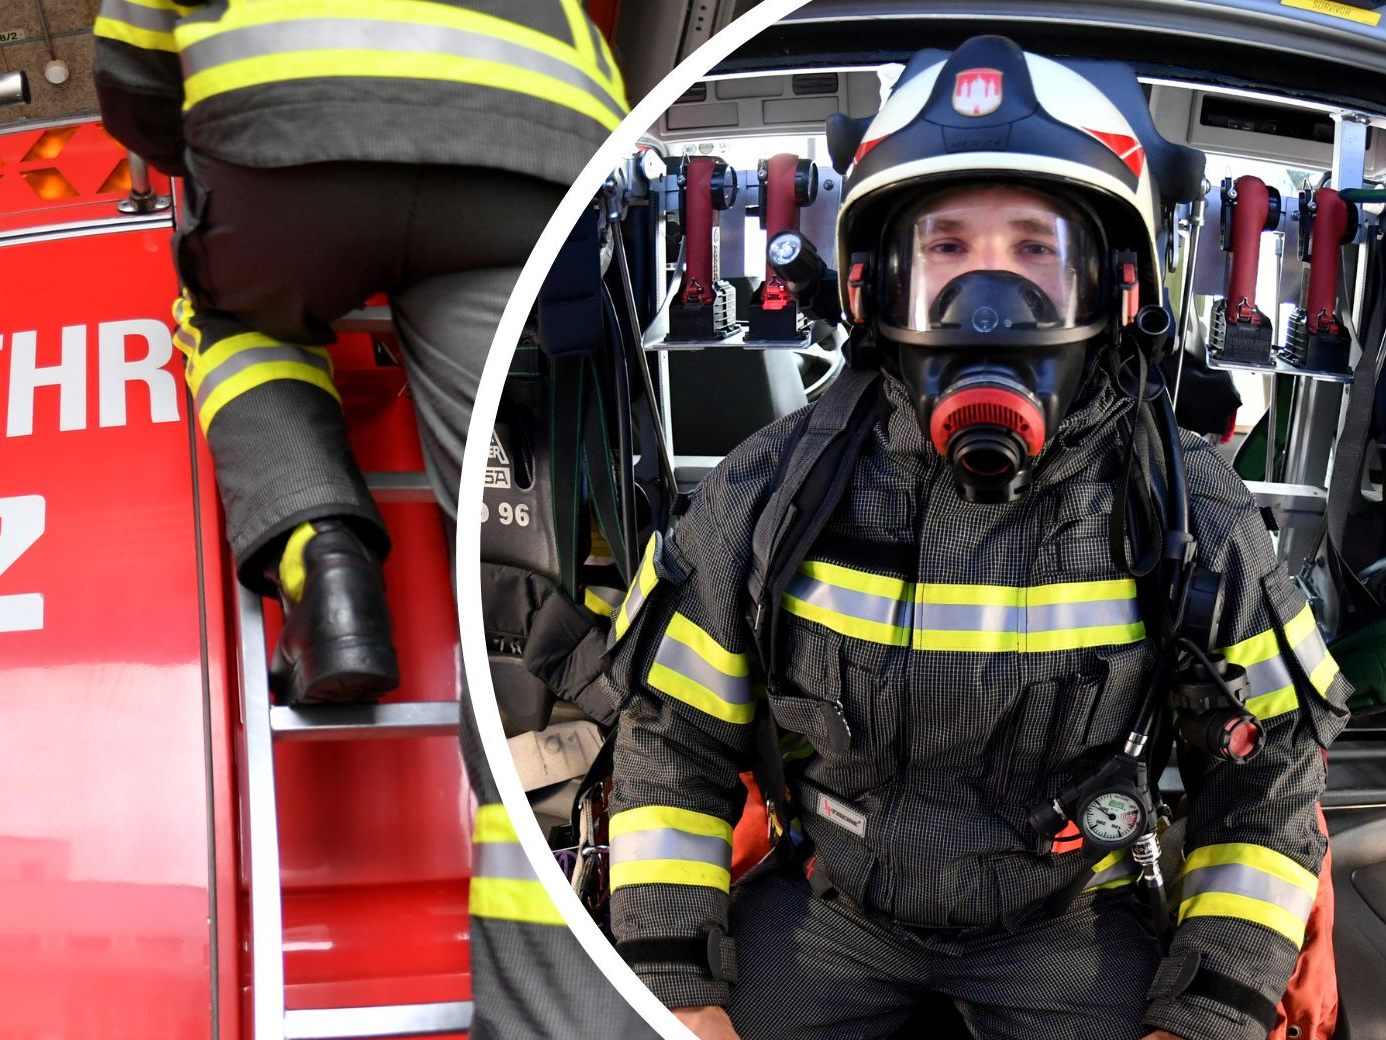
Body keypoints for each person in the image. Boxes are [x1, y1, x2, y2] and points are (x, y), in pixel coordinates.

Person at [603, 37, 1351, 1040]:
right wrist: (675, 983)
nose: (986, 301)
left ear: (1118, 288)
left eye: (1035, 251)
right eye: (946, 250)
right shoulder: (768, 489)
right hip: (837, 911)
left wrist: (1212, 1009)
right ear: (873, 286)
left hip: (1068, 919)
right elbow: (672, 741)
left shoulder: (1190, 509)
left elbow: (1266, 773)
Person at [92, 0, 627, 704]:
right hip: (538, 158)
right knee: (489, 443)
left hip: (292, 131)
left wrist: (208, 156)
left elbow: (130, 72)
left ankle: (322, 559)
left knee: (233, 319)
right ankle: (518, 695)